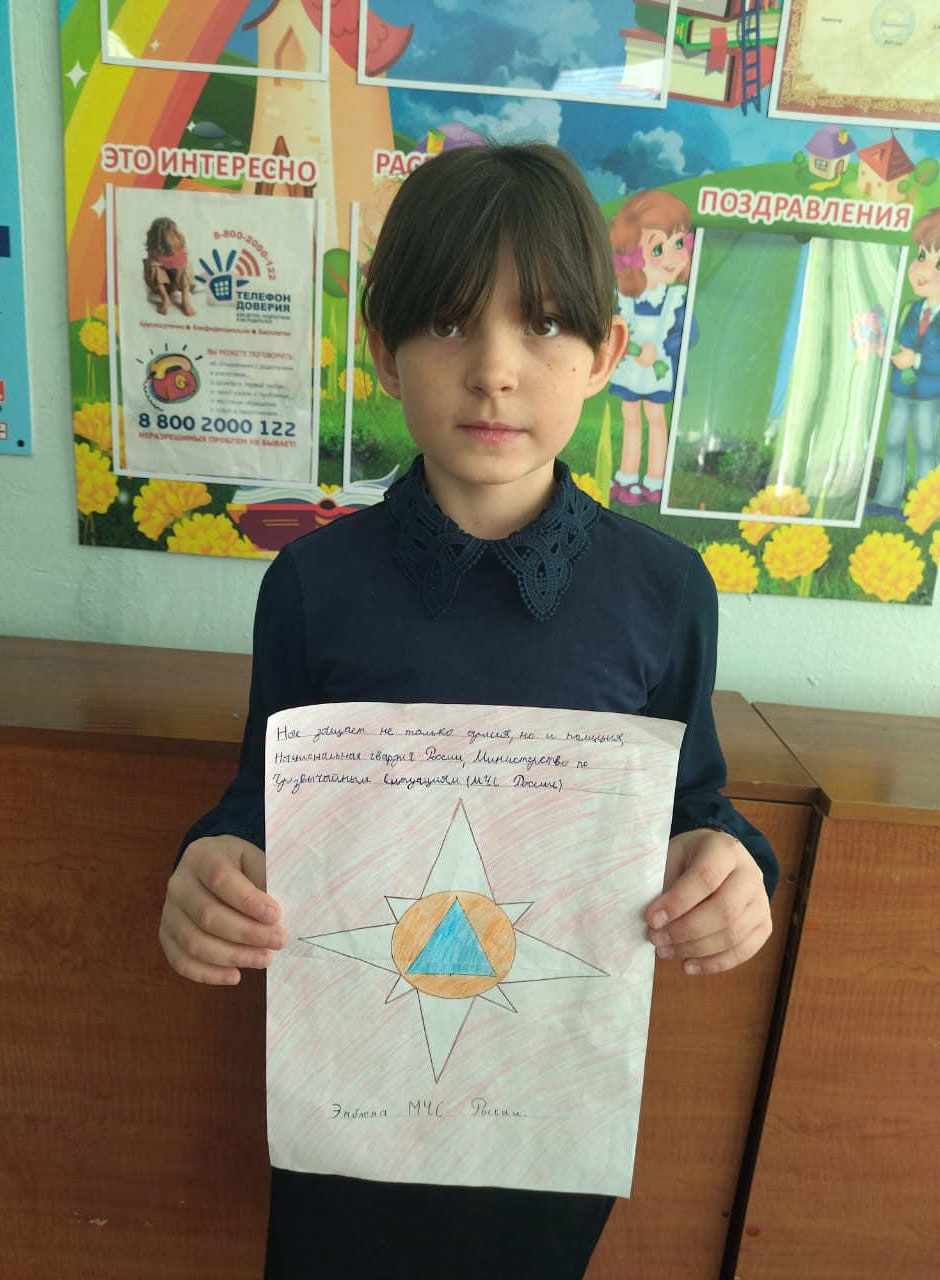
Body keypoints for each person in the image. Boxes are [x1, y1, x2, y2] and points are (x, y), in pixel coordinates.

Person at [159, 142, 777, 1280]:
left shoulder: (664, 590)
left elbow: (693, 801)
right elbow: (261, 795)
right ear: (382, 352)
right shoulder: (312, 584)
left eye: (543, 324)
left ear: (607, 354)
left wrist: (735, 866)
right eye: (448, 323)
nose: (495, 370)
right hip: (349, 1105)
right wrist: (211, 860)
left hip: (546, 1109)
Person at [608, 188, 694, 506]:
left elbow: (690, 333)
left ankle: (655, 480)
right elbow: (612, 327)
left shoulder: (675, 299)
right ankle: (626, 477)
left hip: (659, 367)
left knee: (656, 418)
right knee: (630, 416)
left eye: (679, 244)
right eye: (658, 248)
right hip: (631, 366)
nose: (672, 256)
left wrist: (665, 348)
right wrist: (627, 348)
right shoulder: (626, 298)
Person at [866, 207, 940, 519]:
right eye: (921, 255)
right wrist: (883, 349)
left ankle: (925, 506)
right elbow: (897, 345)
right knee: (893, 441)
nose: (923, 268)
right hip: (901, 391)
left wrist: (918, 359)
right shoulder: (910, 308)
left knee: (926, 446)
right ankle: (887, 501)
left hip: (930, 395)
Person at [143, 215, 196, 317]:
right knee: (154, 268)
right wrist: (158, 263)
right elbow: (152, 264)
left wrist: (169, 263)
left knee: (186, 267)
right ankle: (165, 299)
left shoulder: (179, 245)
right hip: (159, 285)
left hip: (175, 282)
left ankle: (185, 301)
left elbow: (183, 264)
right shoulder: (154, 248)